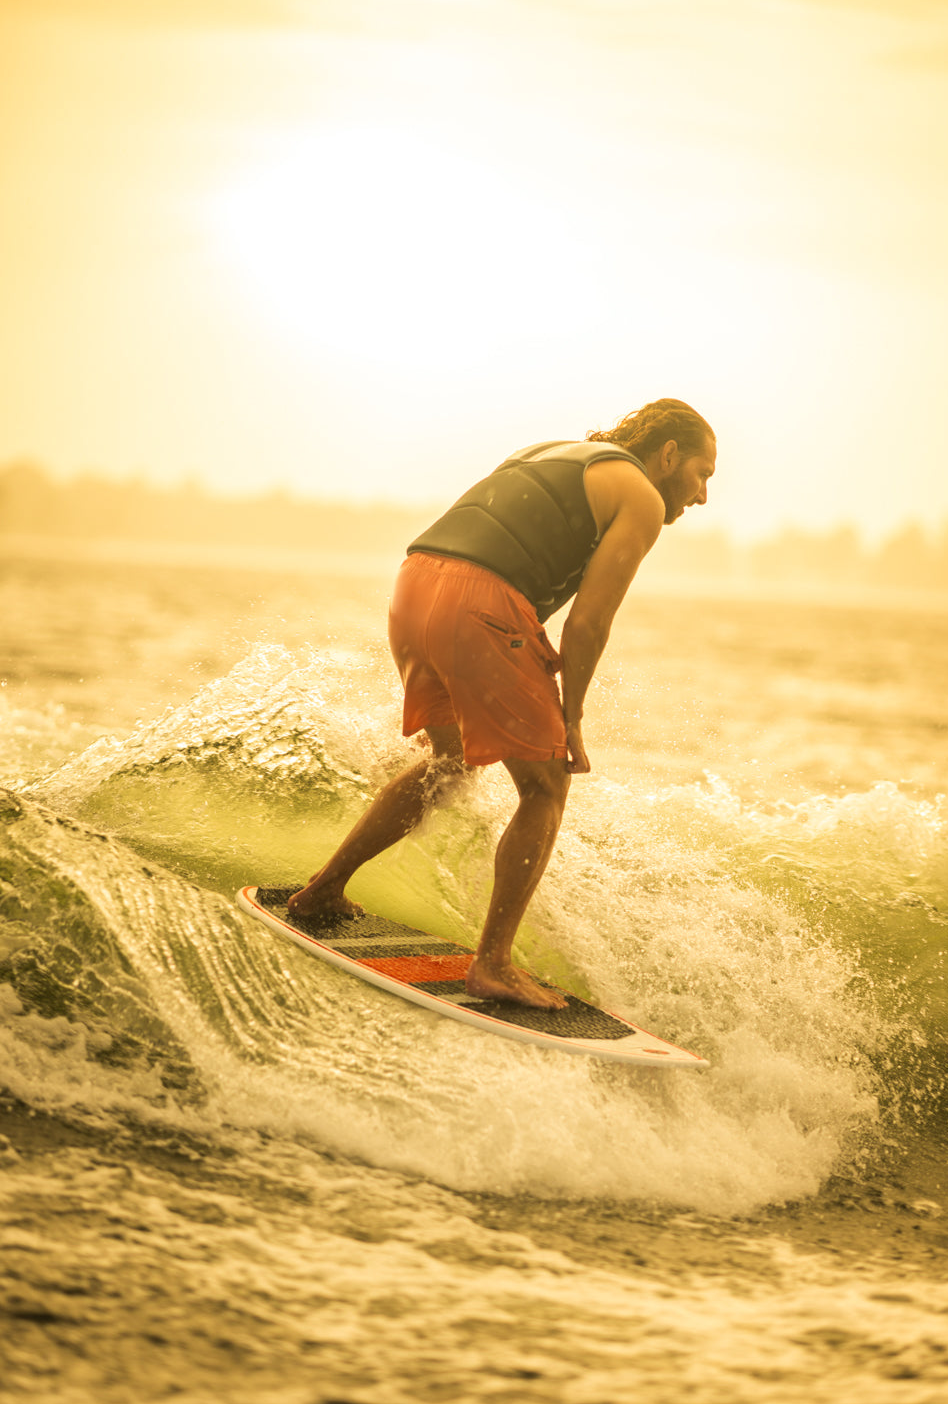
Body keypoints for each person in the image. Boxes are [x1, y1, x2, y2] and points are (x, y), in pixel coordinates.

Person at [288, 397, 717, 1010]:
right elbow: (588, 623)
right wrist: (570, 720)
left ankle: (322, 891)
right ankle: (492, 964)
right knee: (545, 785)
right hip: (479, 602)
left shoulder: (552, 453)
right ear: (669, 454)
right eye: (702, 473)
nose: (701, 495)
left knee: (452, 759)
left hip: (413, 586)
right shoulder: (642, 496)